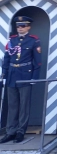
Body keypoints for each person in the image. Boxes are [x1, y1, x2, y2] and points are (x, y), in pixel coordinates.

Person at [0, 16, 42, 144]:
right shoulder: (12, 40)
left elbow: (38, 61)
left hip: (25, 75)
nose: (20, 28)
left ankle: (20, 132)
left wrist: (34, 77)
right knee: (12, 105)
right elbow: (7, 58)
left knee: (24, 106)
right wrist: (4, 74)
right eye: (18, 26)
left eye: (23, 26)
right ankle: (10, 131)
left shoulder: (33, 41)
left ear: (28, 27)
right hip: (12, 75)